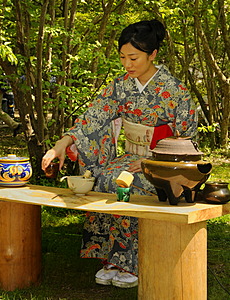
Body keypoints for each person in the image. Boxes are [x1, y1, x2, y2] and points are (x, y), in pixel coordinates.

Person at [42, 19, 197, 288]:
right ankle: (111, 259)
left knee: (126, 182)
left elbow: (187, 137)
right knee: (103, 178)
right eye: (123, 57)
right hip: (129, 157)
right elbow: (93, 117)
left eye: (134, 57)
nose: (127, 65)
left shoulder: (175, 90)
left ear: (153, 54)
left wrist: (152, 161)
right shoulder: (120, 86)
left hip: (162, 163)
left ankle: (132, 262)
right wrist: (61, 144)